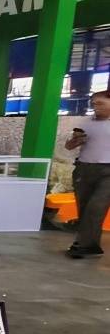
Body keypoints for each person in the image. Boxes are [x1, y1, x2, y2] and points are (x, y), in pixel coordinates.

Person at [64, 88, 110, 258]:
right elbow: (69, 146)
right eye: (93, 104)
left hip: (108, 172)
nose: (96, 107)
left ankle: (82, 244)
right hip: (84, 169)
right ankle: (91, 246)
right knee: (84, 208)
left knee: (96, 207)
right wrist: (76, 140)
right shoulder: (86, 123)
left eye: (100, 103)